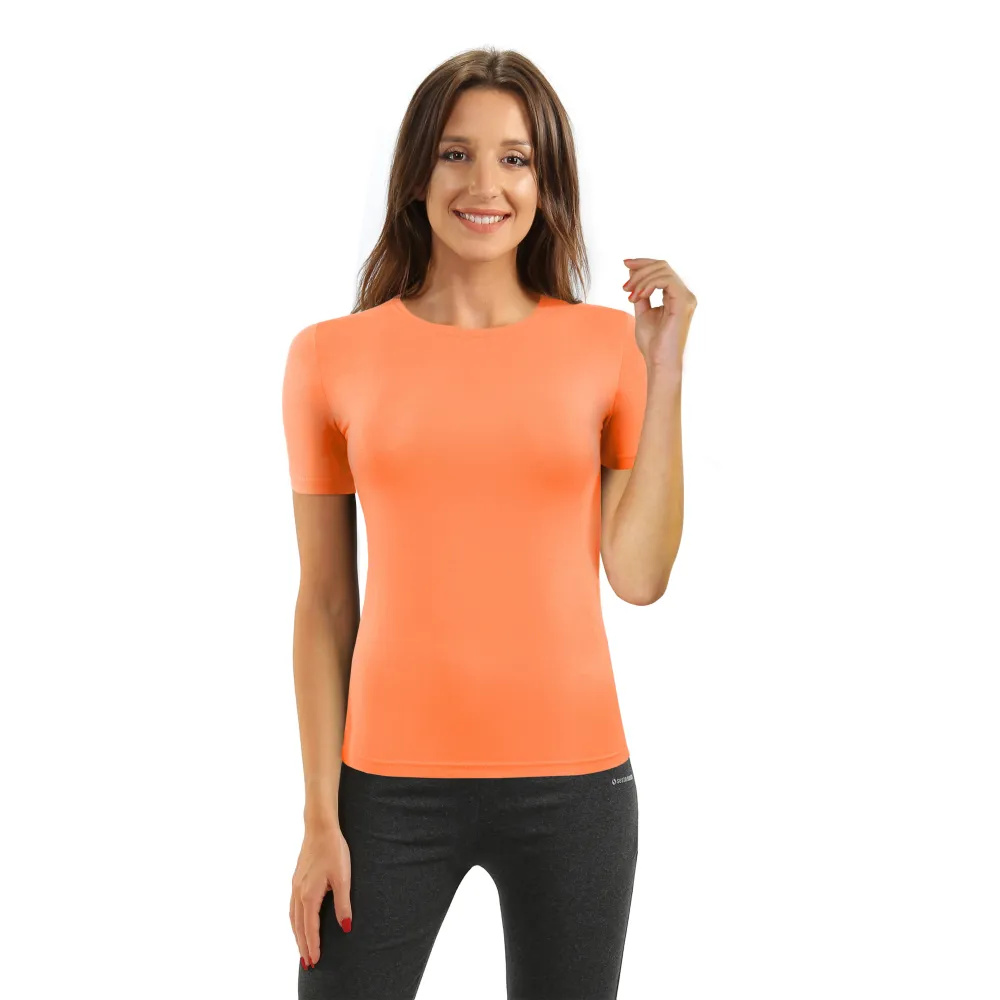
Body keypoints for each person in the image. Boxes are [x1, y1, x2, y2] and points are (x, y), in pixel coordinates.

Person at [281, 46, 694, 1000]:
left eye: (515, 159)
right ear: (416, 173)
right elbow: (326, 604)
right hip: (382, 792)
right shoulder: (328, 358)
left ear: (546, 184)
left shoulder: (610, 347)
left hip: (577, 788)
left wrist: (666, 367)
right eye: (456, 153)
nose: (485, 185)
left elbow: (637, 577)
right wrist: (318, 818)